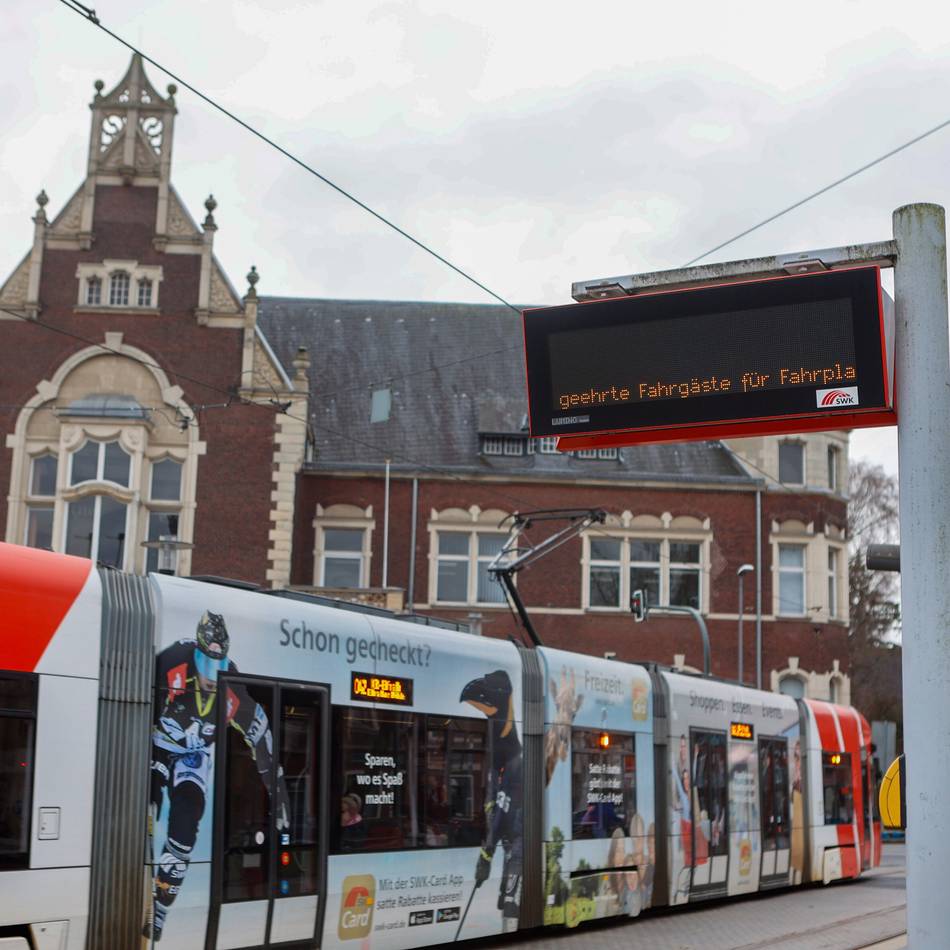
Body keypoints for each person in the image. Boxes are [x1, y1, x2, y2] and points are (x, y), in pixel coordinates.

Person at [144, 611, 290, 942]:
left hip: (194, 754)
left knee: (187, 820)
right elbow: (136, 704)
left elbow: (260, 733)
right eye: (206, 666)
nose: (212, 679)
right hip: (157, 744)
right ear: (196, 652)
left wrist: (276, 789)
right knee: (150, 800)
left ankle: (160, 911)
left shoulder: (231, 683)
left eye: (218, 666)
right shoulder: (172, 662)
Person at [460, 670, 523, 932]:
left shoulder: (516, 763)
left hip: (517, 827)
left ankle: (510, 904)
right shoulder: (497, 755)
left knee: (515, 854)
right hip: (505, 824)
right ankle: (505, 902)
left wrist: (486, 852)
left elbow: (503, 811)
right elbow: (492, 799)